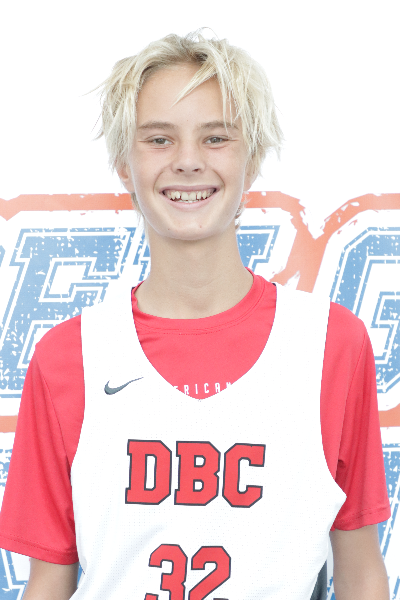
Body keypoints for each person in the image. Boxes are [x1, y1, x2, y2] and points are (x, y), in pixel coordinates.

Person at [0, 30, 391, 600]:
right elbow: (47, 584)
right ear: (124, 164)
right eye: (159, 139)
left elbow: (360, 573)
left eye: (216, 138)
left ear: (252, 159)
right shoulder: (69, 357)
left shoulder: (331, 343)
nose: (187, 162)